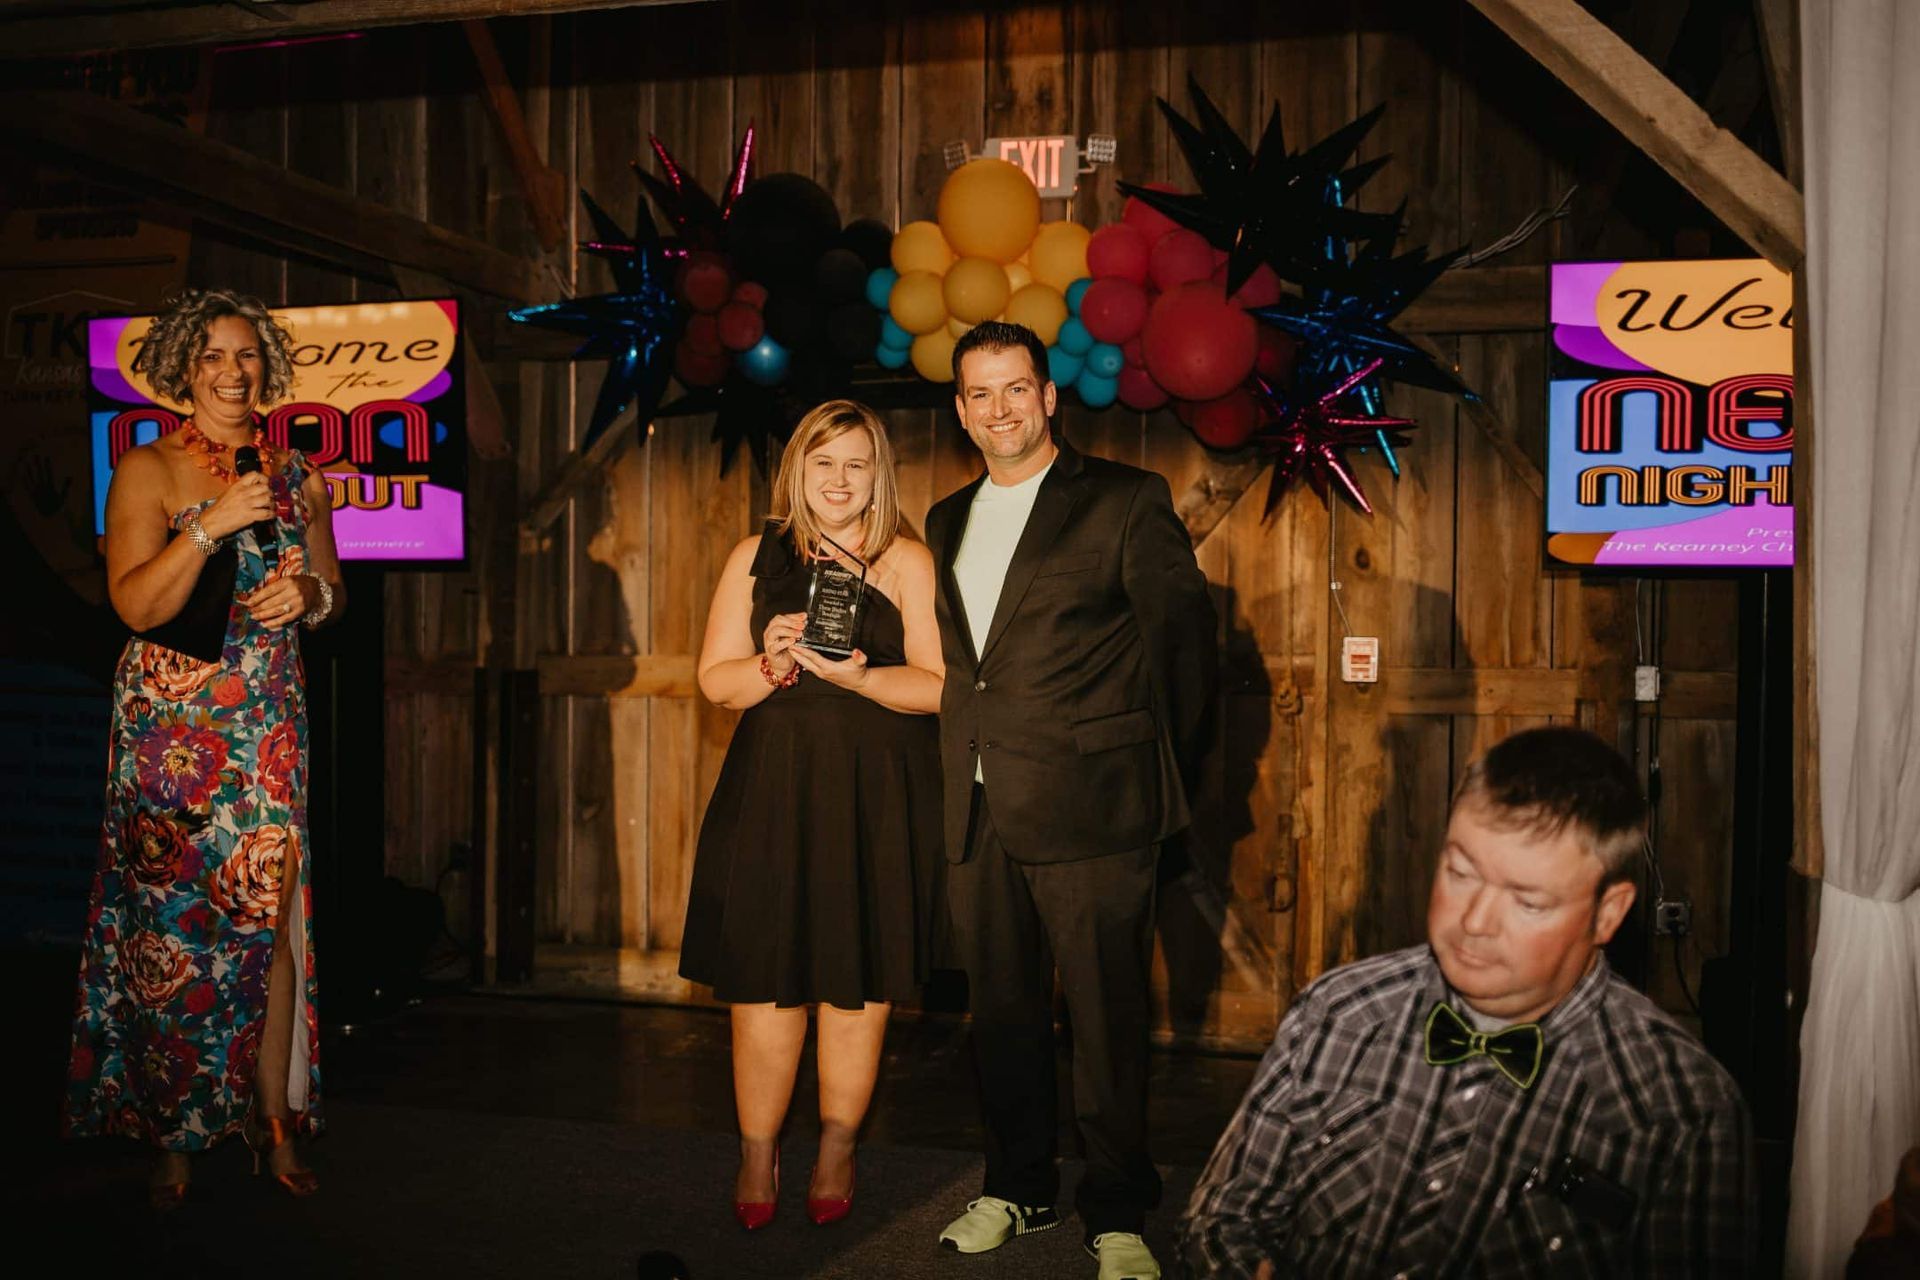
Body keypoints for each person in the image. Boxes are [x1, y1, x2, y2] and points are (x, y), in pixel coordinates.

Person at [1181, 726, 1757, 1278]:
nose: (1474, 922)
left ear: (1608, 913)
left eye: (1528, 902)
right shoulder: (1339, 1012)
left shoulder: (1682, 1107)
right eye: (1460, 873)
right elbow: (1222, 1219)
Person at [926, 322, 1217, 1280]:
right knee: (1000, 1017)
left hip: (1098, 809)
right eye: (980, 394)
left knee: (1106, 1020)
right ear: (961, 408)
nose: (999, 409)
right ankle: (1017, 1187)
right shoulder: (945, 516)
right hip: (978, 807)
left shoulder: (1127, 502)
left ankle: (1119, 1210)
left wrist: (1153, 779)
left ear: (1050, 398)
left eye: (1017, 389)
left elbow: (1185, 652)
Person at [65, 288, 344, 1208]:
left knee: (267, 926)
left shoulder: (299, 474)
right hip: (170, 732)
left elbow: (332, 588)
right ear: (185, 370)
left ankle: (272, 1123)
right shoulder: (146, 469)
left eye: (247, 356)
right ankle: (172, 1134)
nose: (232, 373)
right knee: (171, 931)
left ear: (268, 369)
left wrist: (310, 600)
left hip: (265, 721)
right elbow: (138, 608)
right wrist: (210, 523)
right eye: (214, 358)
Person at [678, 399, 944, 1231]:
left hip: (877, 793)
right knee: (763, 977)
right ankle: (758, 1150)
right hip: (773, 787)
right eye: (822, 462)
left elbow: (939, 690)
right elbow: (716, 684)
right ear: (797, 471)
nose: (838, 479)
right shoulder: (754, 557)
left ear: (878, 474)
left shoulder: (907, 561)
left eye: (855, 463)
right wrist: (773, 659)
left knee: (856, 981)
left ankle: (836, 1144)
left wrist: (861, 678)